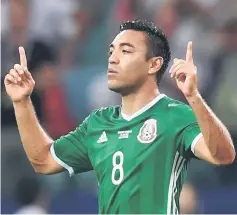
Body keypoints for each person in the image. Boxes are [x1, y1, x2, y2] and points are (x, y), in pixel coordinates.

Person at [4, 19, 235, 214]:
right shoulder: (97, 123)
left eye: (125, 51)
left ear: (154, 64)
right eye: (111, 51)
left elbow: (223, 155)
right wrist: (21, 101)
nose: (113, 59)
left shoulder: (174, 115)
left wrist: (194, 97)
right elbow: (44, 160)